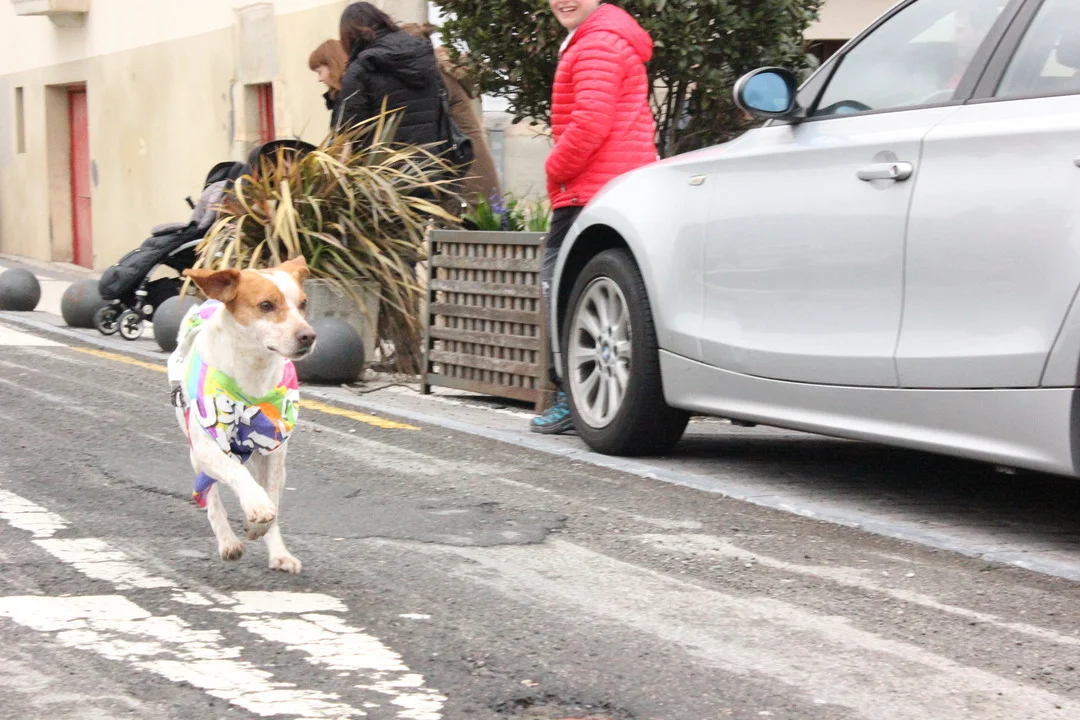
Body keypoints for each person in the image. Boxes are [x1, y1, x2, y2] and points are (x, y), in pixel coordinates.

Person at [529, 0, 658, 435]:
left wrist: (555, 169)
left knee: (565, 291)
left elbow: (590, 122)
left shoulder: (597, 42)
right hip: (613, 185)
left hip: (589, 189)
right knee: (605, 300)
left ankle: (572, 398)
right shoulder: (604, 36)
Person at [400, 22, 503, 207]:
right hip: (472, 159)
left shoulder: (437, 77)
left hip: (465, 165)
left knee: (469, 218)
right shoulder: (442, 70)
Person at [335, 2, 443, 148]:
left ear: (349, 35)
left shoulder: (360, 69)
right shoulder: (423, 55)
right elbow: (442, 103)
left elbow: (352, 130)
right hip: (432, 155)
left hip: (386, 159)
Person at [308, 39, 348, 121]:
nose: (320, 79)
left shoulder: (347, 95)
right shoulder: (339, 96)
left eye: (320, 72)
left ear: (332, 66)